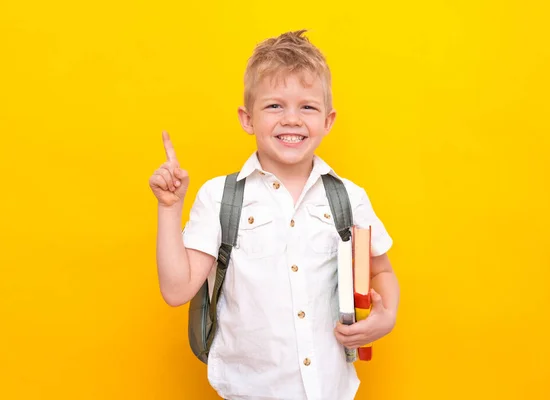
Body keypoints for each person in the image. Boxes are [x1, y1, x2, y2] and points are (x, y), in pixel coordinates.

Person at [148, 29, 400, 400]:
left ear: (328, 121)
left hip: (331, 391)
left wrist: (387, 316)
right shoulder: (221, 197)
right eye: (274, 106)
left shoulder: (349, 197)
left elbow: (381, 269)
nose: (292, 119)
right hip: (248, 391)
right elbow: (176, 289)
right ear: (247, 118)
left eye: (307, 107)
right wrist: (169, 209)